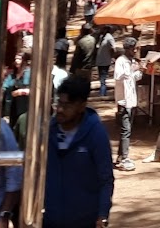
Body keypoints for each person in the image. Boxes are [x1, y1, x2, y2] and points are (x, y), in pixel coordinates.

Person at [43, 76, 113, 228]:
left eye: (67, 106)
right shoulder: (48, 131)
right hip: (50, 219)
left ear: (82, 106)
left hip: (84, 220)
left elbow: (106, 179)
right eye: (59, 103)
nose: (60, 109)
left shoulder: (96, 133)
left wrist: (102, 216)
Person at [111, 37, 142, 171]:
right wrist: (131, 69)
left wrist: (140, 70)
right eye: (134, 49)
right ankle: (124, 158)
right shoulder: (121, 61)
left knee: (127, 130)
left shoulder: (132, 61)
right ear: (128, 49)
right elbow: (118, 77)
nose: (135, 51)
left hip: (132, 100)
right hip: (123, 101)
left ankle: (120, 157)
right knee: (126, 130)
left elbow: (134, 78)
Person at [95, 28, 116, 98]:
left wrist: (112, 56)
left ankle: (102, 93)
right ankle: (103, 92)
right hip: (100, 60)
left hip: (105, 60)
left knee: (103, 77)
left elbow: (114, 48)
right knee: (101, 77)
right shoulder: (102, 37)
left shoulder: (109, 38)